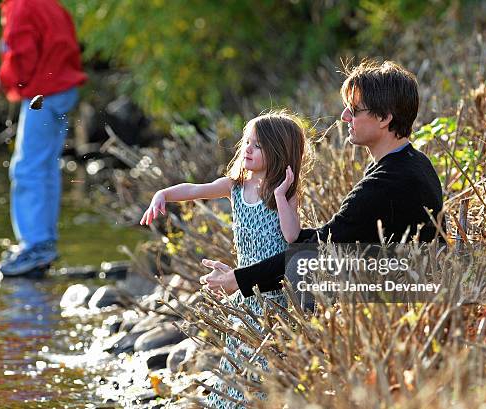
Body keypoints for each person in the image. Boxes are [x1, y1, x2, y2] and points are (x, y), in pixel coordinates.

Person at [200, 60, 445, 300]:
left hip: (411, 294)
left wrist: (240, 279)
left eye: (355, 110)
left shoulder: (386, 182)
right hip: (416, 281)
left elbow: (320, 249)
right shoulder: (413, 162)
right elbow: (335, 236)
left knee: (302, 269)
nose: (344, 116)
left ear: (384, 119)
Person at [140, 112, 310, 408]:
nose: (246, 149)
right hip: (246, 295)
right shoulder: (234, 186)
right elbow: (195, 190)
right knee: (237, 362)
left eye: (257, 145)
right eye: (246, 142)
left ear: (279, 150)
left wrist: (282, 195)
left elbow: (292, 235)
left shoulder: (281, 192)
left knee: (264, 367)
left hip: (277, 296)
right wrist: (162, 194)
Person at [0, 0, 87, 276]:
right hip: (62, 90)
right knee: (45, 167)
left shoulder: (21, 6)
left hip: (45, 93)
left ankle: (35, 246)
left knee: (27, 168)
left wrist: (5, 79)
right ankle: (43, 243)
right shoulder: (49, 4)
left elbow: (22, 55)